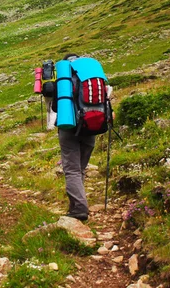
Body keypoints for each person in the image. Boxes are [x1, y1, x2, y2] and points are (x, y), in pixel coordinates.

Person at [51, 53, 110, 221]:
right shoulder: (91, 75)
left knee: (71, 170)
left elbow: (56, 106)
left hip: (69, 128)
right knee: (80, 169)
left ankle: (80, 208)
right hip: (92, 125)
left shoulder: (65, 78)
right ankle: (75, 205)